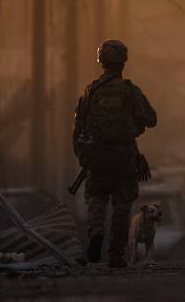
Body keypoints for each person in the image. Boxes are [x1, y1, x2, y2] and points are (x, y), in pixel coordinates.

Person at [72, 39, 158, 268]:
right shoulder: (129, 90)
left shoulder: (90, 91)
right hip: (123, 156)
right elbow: (151, 119)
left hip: (97, 157)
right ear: (123, 62)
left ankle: (96, 232)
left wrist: (84, 156)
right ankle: (116, 255)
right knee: (122, 205)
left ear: (101, 61)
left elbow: (78, 126)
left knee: (96, 199)